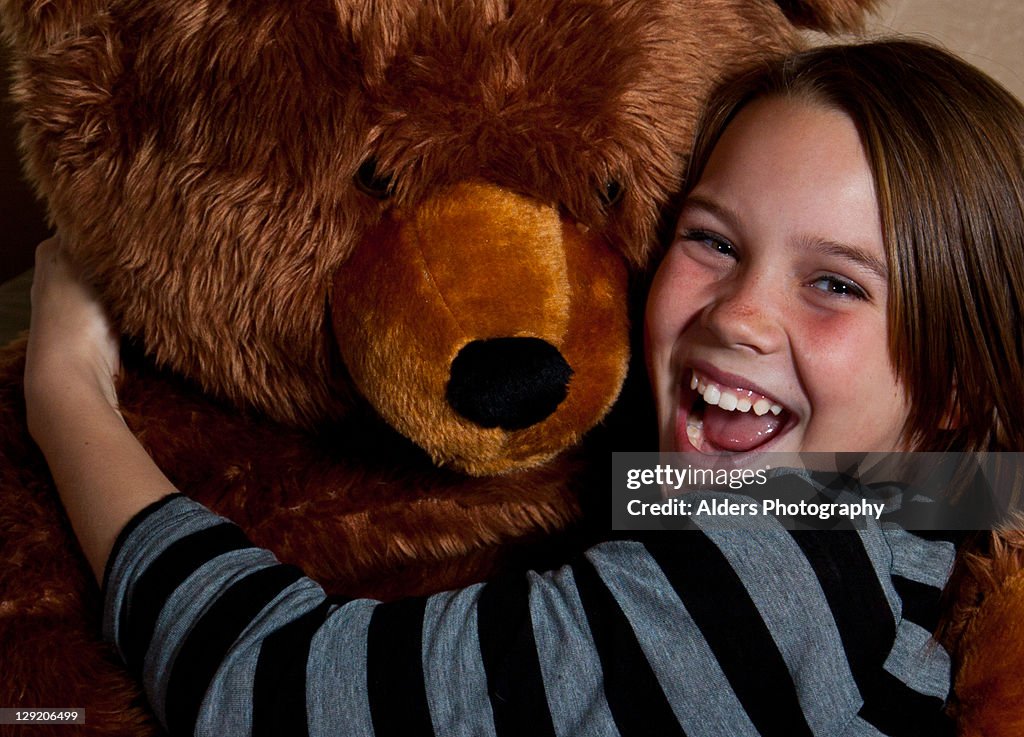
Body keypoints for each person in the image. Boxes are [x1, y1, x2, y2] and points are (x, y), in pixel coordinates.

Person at [24, 39, 1024, 736]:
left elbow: (273, 690)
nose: (739, 314)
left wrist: (65, 389)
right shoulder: (889, 528)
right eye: (711, 241)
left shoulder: (778, 577)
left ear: (954, 391)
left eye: (836, 283)